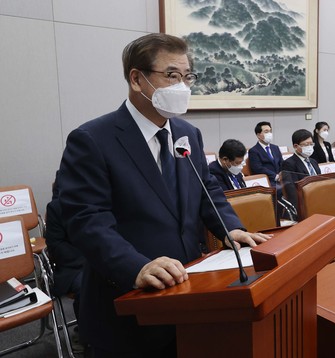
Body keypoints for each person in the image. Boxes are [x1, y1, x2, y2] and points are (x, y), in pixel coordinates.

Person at [57, 33, 270, 357]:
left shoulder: (188, 133)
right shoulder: (92, 139)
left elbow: (206, 189)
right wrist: (136, 267)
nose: (182, 86)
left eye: (187, 77)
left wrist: (230, 228)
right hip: (129, 302)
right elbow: (87, 220)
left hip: (191, 292)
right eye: (171, 76)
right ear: (137, 79)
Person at [45, 171, 85, 321]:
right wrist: (90, 259)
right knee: (87, 285)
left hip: (102, 258)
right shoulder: (56, 208)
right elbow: (56, 246)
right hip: (74, 267)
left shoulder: (99, 203)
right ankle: (88, 337)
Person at [281, 129, 322, 208]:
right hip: (305, 201)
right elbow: (292, 190)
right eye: (306, 144)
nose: (310, 147)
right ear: (296, 146)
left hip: (319, 196)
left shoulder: (313, 162)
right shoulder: (289, 163)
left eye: (311, 144)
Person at [248, 121, 283, 187]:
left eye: (270, 131)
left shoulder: (275, 147)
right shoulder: (254, 151)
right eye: (266, 132)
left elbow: (282, 163)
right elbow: (258, 169)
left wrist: (282, 174)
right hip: (267, 181)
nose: (269, 134)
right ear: (258, 135)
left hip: (281, 179)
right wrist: (276, 176)